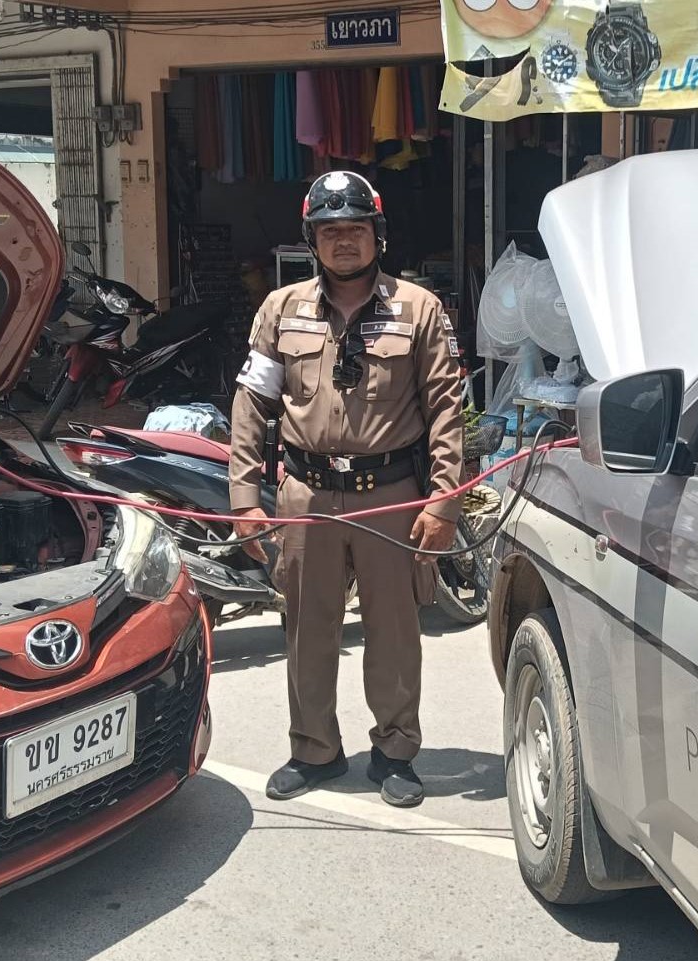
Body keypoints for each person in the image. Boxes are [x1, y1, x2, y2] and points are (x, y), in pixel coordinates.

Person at [228, 170, 464, 807]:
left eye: (356, 228)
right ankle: (315, 749)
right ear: (312, 239)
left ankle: (395, 751)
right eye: (330, 231)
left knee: (394, 631)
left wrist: (444, 502)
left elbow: (446, 410)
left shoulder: (418, 309)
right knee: (307, 627)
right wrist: (245, 498)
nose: (344, 241)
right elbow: (251, 404)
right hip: (305, 496)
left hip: (392, 495)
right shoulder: (281, 309)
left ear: (377, 234)